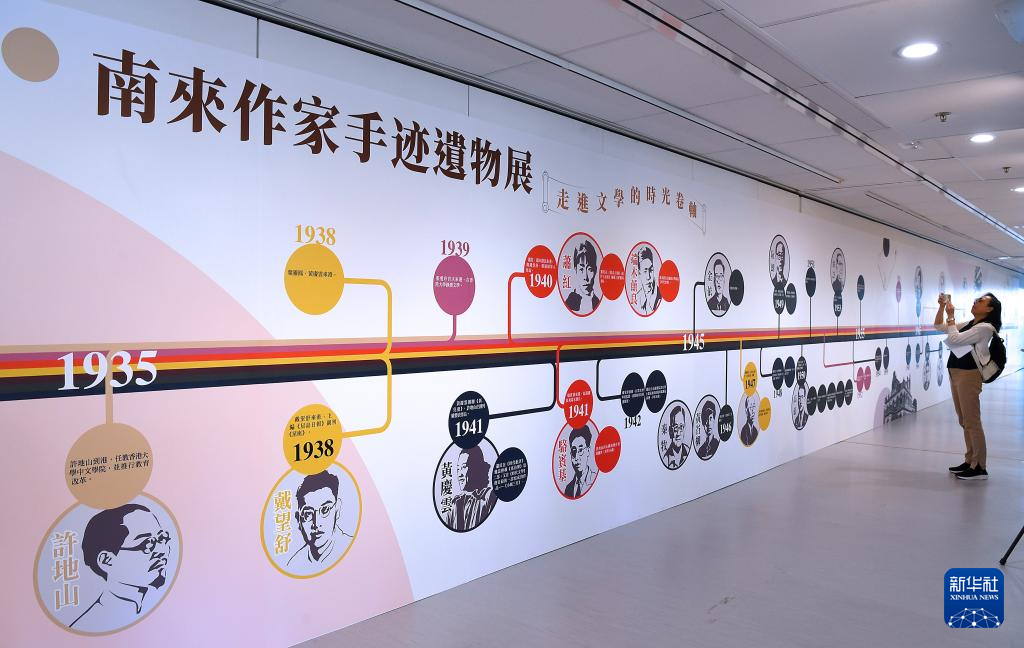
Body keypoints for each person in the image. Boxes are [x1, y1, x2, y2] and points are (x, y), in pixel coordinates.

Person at [72, 503, 173, 631]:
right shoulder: (90, 625)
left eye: (162, 538)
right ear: (107, 560)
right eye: (147, 544)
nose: (161, 550)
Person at [935, 292, 1002, 480]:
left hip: (969, 375)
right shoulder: (972, 324)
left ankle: (979, 467)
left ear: (990, 309)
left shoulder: (985, 328)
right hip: (956, 372)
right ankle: (970, 459)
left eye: (981, 301)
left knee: (972, 420)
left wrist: (951, 316)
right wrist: (942, 307)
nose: (976, 302)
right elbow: (939, 326)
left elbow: (954, 339)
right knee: (964, 420)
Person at [288, 470, 352, 567]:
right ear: (298, 520)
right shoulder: (293, 563)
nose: (316, 523)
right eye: (308, 514)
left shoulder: (353, 547)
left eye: (325, 510)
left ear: (337, 510)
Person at [445, 445, 497, 530]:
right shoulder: (455, 503)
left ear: (476, 467)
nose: (460, 474)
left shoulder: (488, 497)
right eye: (458, 469)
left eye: (463, 467)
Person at [565, 240, 600, 314]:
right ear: (575, 270)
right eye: (581, 269)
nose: (586, 277)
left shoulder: (598, 303)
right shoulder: (568, 304)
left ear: (595, 271)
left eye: (590, 269)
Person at [564, 425, 597, 498]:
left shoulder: (595, 480)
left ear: (588, 450)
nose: (576, 458)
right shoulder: (568, 488)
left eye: (581, 450)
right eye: (574, 451)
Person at [634, 246, 661, 315]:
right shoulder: (637, 298)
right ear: (639, 273)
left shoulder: (660, 296)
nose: (648, 277)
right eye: (645, 271)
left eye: (651, 270)